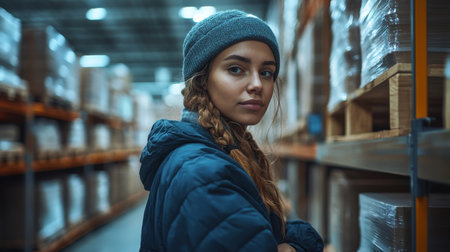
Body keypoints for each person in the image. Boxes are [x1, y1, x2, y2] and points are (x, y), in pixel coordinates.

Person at [139, 10, 324, 252]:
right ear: (203, 79)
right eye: (236, 69)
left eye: (266, 72)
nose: (257, 84)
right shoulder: (203, 172)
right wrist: (300, 242)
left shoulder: (214, 154)